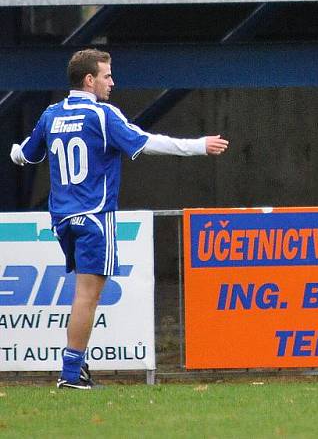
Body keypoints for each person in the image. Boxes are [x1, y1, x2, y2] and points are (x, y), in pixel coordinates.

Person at [9, 49, 228, 390]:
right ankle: (71, 374)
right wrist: (198, 145)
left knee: (84, 293)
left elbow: (28, 152)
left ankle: (75, 370)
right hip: (94, 217)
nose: (112, 82)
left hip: (63, 218)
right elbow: (146, 142)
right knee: (86, 296)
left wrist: (15, 153)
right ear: (89, 80)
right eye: (107, 76)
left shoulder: (52, 115)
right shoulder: (102, 115)